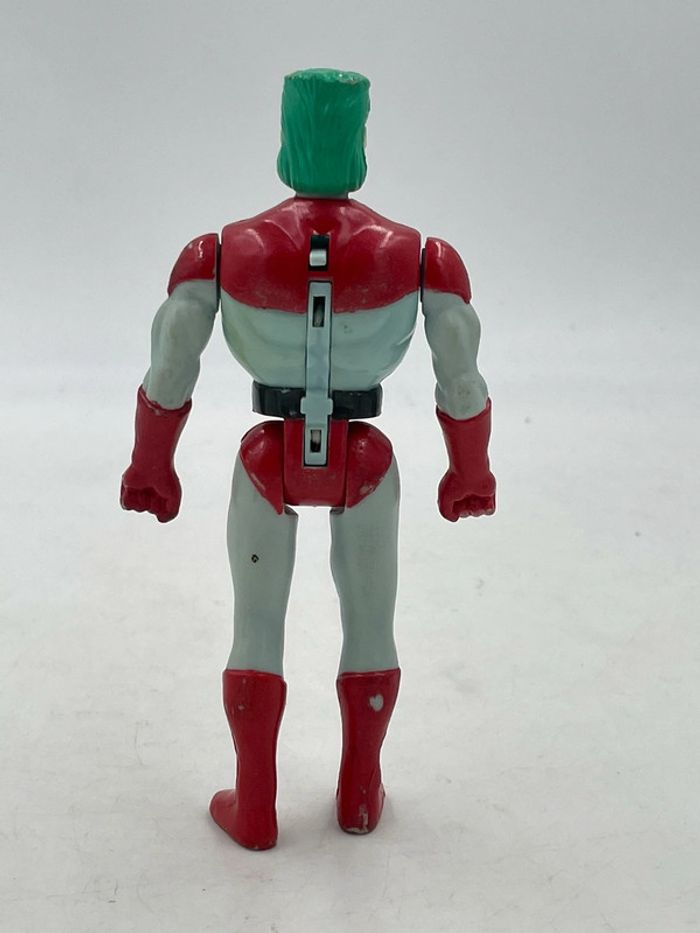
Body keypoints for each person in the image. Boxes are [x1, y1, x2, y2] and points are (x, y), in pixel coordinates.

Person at [121, 68, 495, 850]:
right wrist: (470, 469)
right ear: (359, 142)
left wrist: (152, 463)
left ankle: (255, 804)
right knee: (372, 621)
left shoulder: (221, 251)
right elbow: (459, 367)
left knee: (255, 622)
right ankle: (360, 792)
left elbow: (172, 356)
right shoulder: (419, 255)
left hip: (270, 456)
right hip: (365, 459)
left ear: (287, 142)